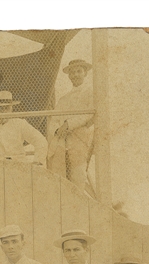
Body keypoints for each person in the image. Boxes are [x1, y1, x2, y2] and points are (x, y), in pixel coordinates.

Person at [47, 60, 95, 192]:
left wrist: (68, 124)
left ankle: (78, 202)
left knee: (78, 172)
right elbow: (54, 120)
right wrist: (58, 130)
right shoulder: (64, 99)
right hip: (62, 139)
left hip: (80, 136)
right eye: (72, 72)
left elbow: (88, 114)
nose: (75, 75)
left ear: (85, 73)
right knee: (59, 172)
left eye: (79, 71)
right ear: (68, 76)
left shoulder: (90, 92)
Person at [0, 91, 48, 165]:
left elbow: (41, 141)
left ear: (11, 109)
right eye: (0, 108)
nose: (3, 112)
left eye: (6, 108)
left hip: (17, 165)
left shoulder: (20, 123)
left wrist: (37, 162)